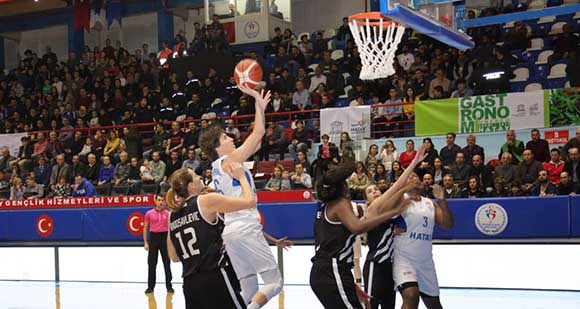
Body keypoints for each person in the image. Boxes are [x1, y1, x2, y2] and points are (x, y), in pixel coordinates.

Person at [200, 84, 284, 309]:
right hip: (246, 226)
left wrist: (260, 111)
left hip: (231, 232)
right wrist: (257, 101)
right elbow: (257, 133)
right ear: (218, 147)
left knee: (249, 289)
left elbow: (258, 138)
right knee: (275, 282)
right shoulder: (231, 159)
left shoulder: (218, 166)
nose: (231, 138)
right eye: (226, 137)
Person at [310, 158, 412, 309]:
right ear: (342, 186)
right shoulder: (340, 203)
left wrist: (354, 288)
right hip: (333, 270)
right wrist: (395, 211)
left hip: (327, 271)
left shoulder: (325, 207)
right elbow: (357, 227)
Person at [165, 164, 254, 309]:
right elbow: (249, 202)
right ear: (191, 186)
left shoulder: (172, 215)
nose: (200, 177)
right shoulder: (205, 201)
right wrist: (241, 177)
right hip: (214, 276)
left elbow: (174, 257)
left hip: (190, 285)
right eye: (195, 176)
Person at [362, 144, 428, 309]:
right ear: (367, 201)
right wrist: (413, 164)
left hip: (390, 267)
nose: (375, 191)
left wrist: (414, 162)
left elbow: (397, 187)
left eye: (376, 189)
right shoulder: (372, 209)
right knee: (370, 304)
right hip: (375, 265)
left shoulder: (389, 211)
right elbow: (399, 186)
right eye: (370, 191)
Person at [393, 172, 454, 309]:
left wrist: (442, 201)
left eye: (415, 176)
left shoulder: (429, 203)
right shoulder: (398, 200)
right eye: (409, 176)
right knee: (411, 296)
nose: (413, 178)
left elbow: (448, 224)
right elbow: (381, 217)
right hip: (403, 259)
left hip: (425, 261)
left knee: (434, 305)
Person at [143, 194, 174, 294]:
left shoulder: (168, 213)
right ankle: (150, 287)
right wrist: (145, 242)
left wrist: (171, 243)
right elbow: (145, 228)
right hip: (154, 238)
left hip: (164, 238)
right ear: (155, 201)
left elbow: (171, 229)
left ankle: (169, 286)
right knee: (152, 264)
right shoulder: (149, 213)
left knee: (167, 263)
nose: (161, 202)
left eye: (162, 200)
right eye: (159, 200)